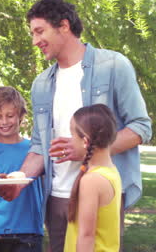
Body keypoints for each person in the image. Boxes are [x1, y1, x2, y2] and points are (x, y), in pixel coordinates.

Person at [0, 0, 152, 252]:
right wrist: (18, 180)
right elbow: (38, 146)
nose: (35, 41)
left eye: (39, 31)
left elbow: (141, 127)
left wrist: (89, 150)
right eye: (32, 33)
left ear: (64, 26)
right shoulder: (41, 84)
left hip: (100, 196)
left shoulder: (113, 66)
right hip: (57, 199)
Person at [0, 87, 43, 251]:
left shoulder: (35, 151)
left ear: (21, 116)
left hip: (31, 233)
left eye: (10, 116)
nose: (4, 122)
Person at [64, 104, 122, 251]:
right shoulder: (111, 171)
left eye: (72, 135)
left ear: (85, 142)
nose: (71, 140)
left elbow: (86, 235)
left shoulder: (91, 180)